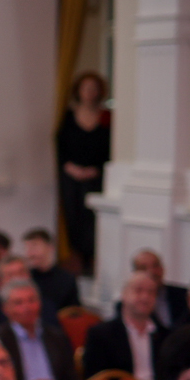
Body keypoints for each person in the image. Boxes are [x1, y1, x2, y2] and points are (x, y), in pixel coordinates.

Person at [82, 271, 168, 380]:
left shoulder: (165, 335)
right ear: (124, 294)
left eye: (151, 292)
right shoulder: (101, 334)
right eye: (138, 290)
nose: (145, 297)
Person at [56, 72, 109, 271]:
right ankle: (76, 258)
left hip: (95, 176)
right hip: (71, 176)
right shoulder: (68, 116)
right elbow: (60, 144)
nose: (89, 92)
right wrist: (70, 167)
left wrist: (96, 170)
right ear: (78, 91)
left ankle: (93, 258)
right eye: (85, 88)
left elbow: (110, 148)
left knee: (92, 219)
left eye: (93, 88)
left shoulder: (106, 117)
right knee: (73, 216)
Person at [0, 278, 77, 380]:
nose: (27, 307)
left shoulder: (57, 337)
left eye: (31, 300)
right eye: (18, 303)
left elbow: (71, 379)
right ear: (5, 309)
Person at [0, 255, 58, 334]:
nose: (17, 279)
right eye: (10, 275)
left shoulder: (45, 305)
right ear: (0, 280)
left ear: (29, 275)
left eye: (21, 273)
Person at [21, 227, 80, 310]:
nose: (30, 254)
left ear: (50, 247)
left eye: (34, 246)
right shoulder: (25, 278)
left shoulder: (66, 280)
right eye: (27, 248)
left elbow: (73, 312)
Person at [130, 249, 190, 330]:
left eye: (155, 266)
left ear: (162, 268)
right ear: (135, 273)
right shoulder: (129, 304)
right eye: (143, 268)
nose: (151, 271)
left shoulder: (184, 296)